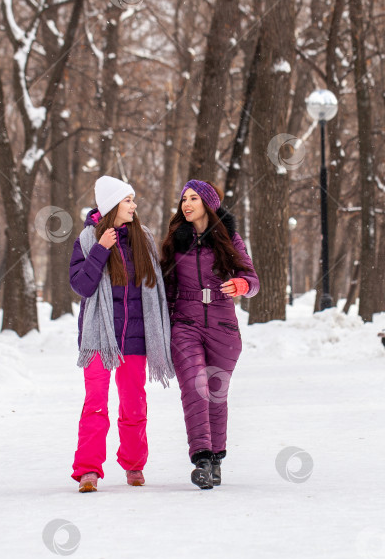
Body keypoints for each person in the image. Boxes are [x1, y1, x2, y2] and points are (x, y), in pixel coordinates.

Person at [69, 176, 174, 493]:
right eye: (128, 200)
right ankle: (88, 470)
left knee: (134, 404)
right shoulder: (88, 241)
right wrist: (101, 250)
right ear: (113, 204)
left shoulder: (143, 239)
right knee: (96, 404)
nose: (134, 205)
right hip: (99, 337)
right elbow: (82, 286)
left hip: (137, 337)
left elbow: (158, 288)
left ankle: (134, 464)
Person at [160, 180, 259, 489]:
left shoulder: (229, 238)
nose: (186, 204)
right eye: (183, 199)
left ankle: (216, 460)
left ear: (208, 203)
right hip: (185, 322)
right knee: (194, 385)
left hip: (222, 324)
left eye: (193, 198)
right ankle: (201, 457)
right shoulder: (175, 241)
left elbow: (252, 279)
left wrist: (241, 285)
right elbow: (165, 287)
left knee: (216, 392)